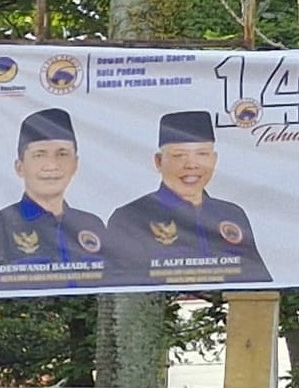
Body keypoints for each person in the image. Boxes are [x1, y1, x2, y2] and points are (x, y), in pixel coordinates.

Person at [101, 110, 270, 288]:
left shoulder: (231, 214)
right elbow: (124, 284)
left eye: (202, 154)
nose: (191, 165)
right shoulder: (131, 218)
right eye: (179, 155)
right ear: (159, 161)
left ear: (214, 160)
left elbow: (258, 282)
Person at [0, 109, 108, 293]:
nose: (52, 165)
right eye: (39, 155)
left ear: (76, 164)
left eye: (62, 154)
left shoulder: (92, 224)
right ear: (20, 167)